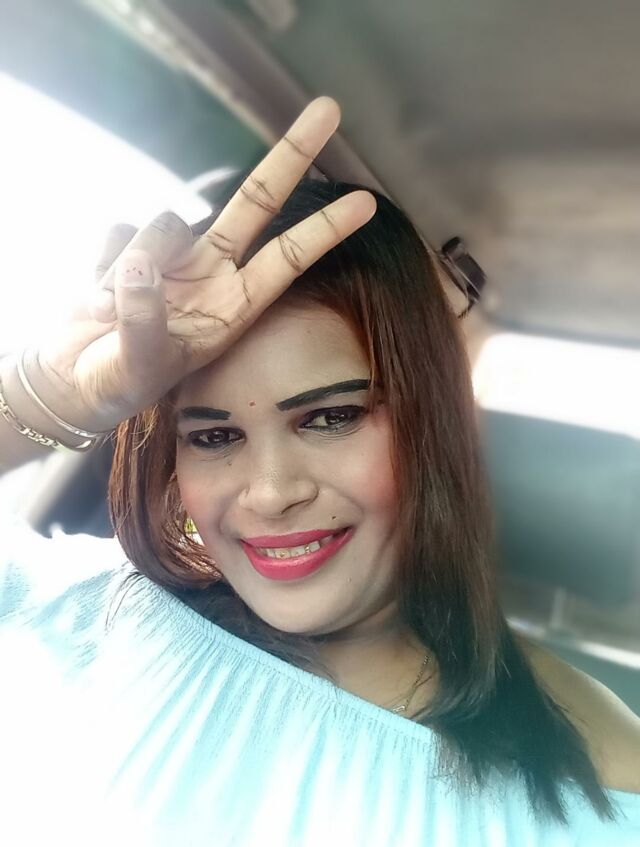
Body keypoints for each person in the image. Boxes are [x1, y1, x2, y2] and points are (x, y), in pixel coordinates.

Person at [0, 97, 638, 846]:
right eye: (214, 435)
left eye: (331, 417)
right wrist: (42, 398)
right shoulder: (84, 615)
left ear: (433, 421)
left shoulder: (600, 778)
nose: (271, 493)